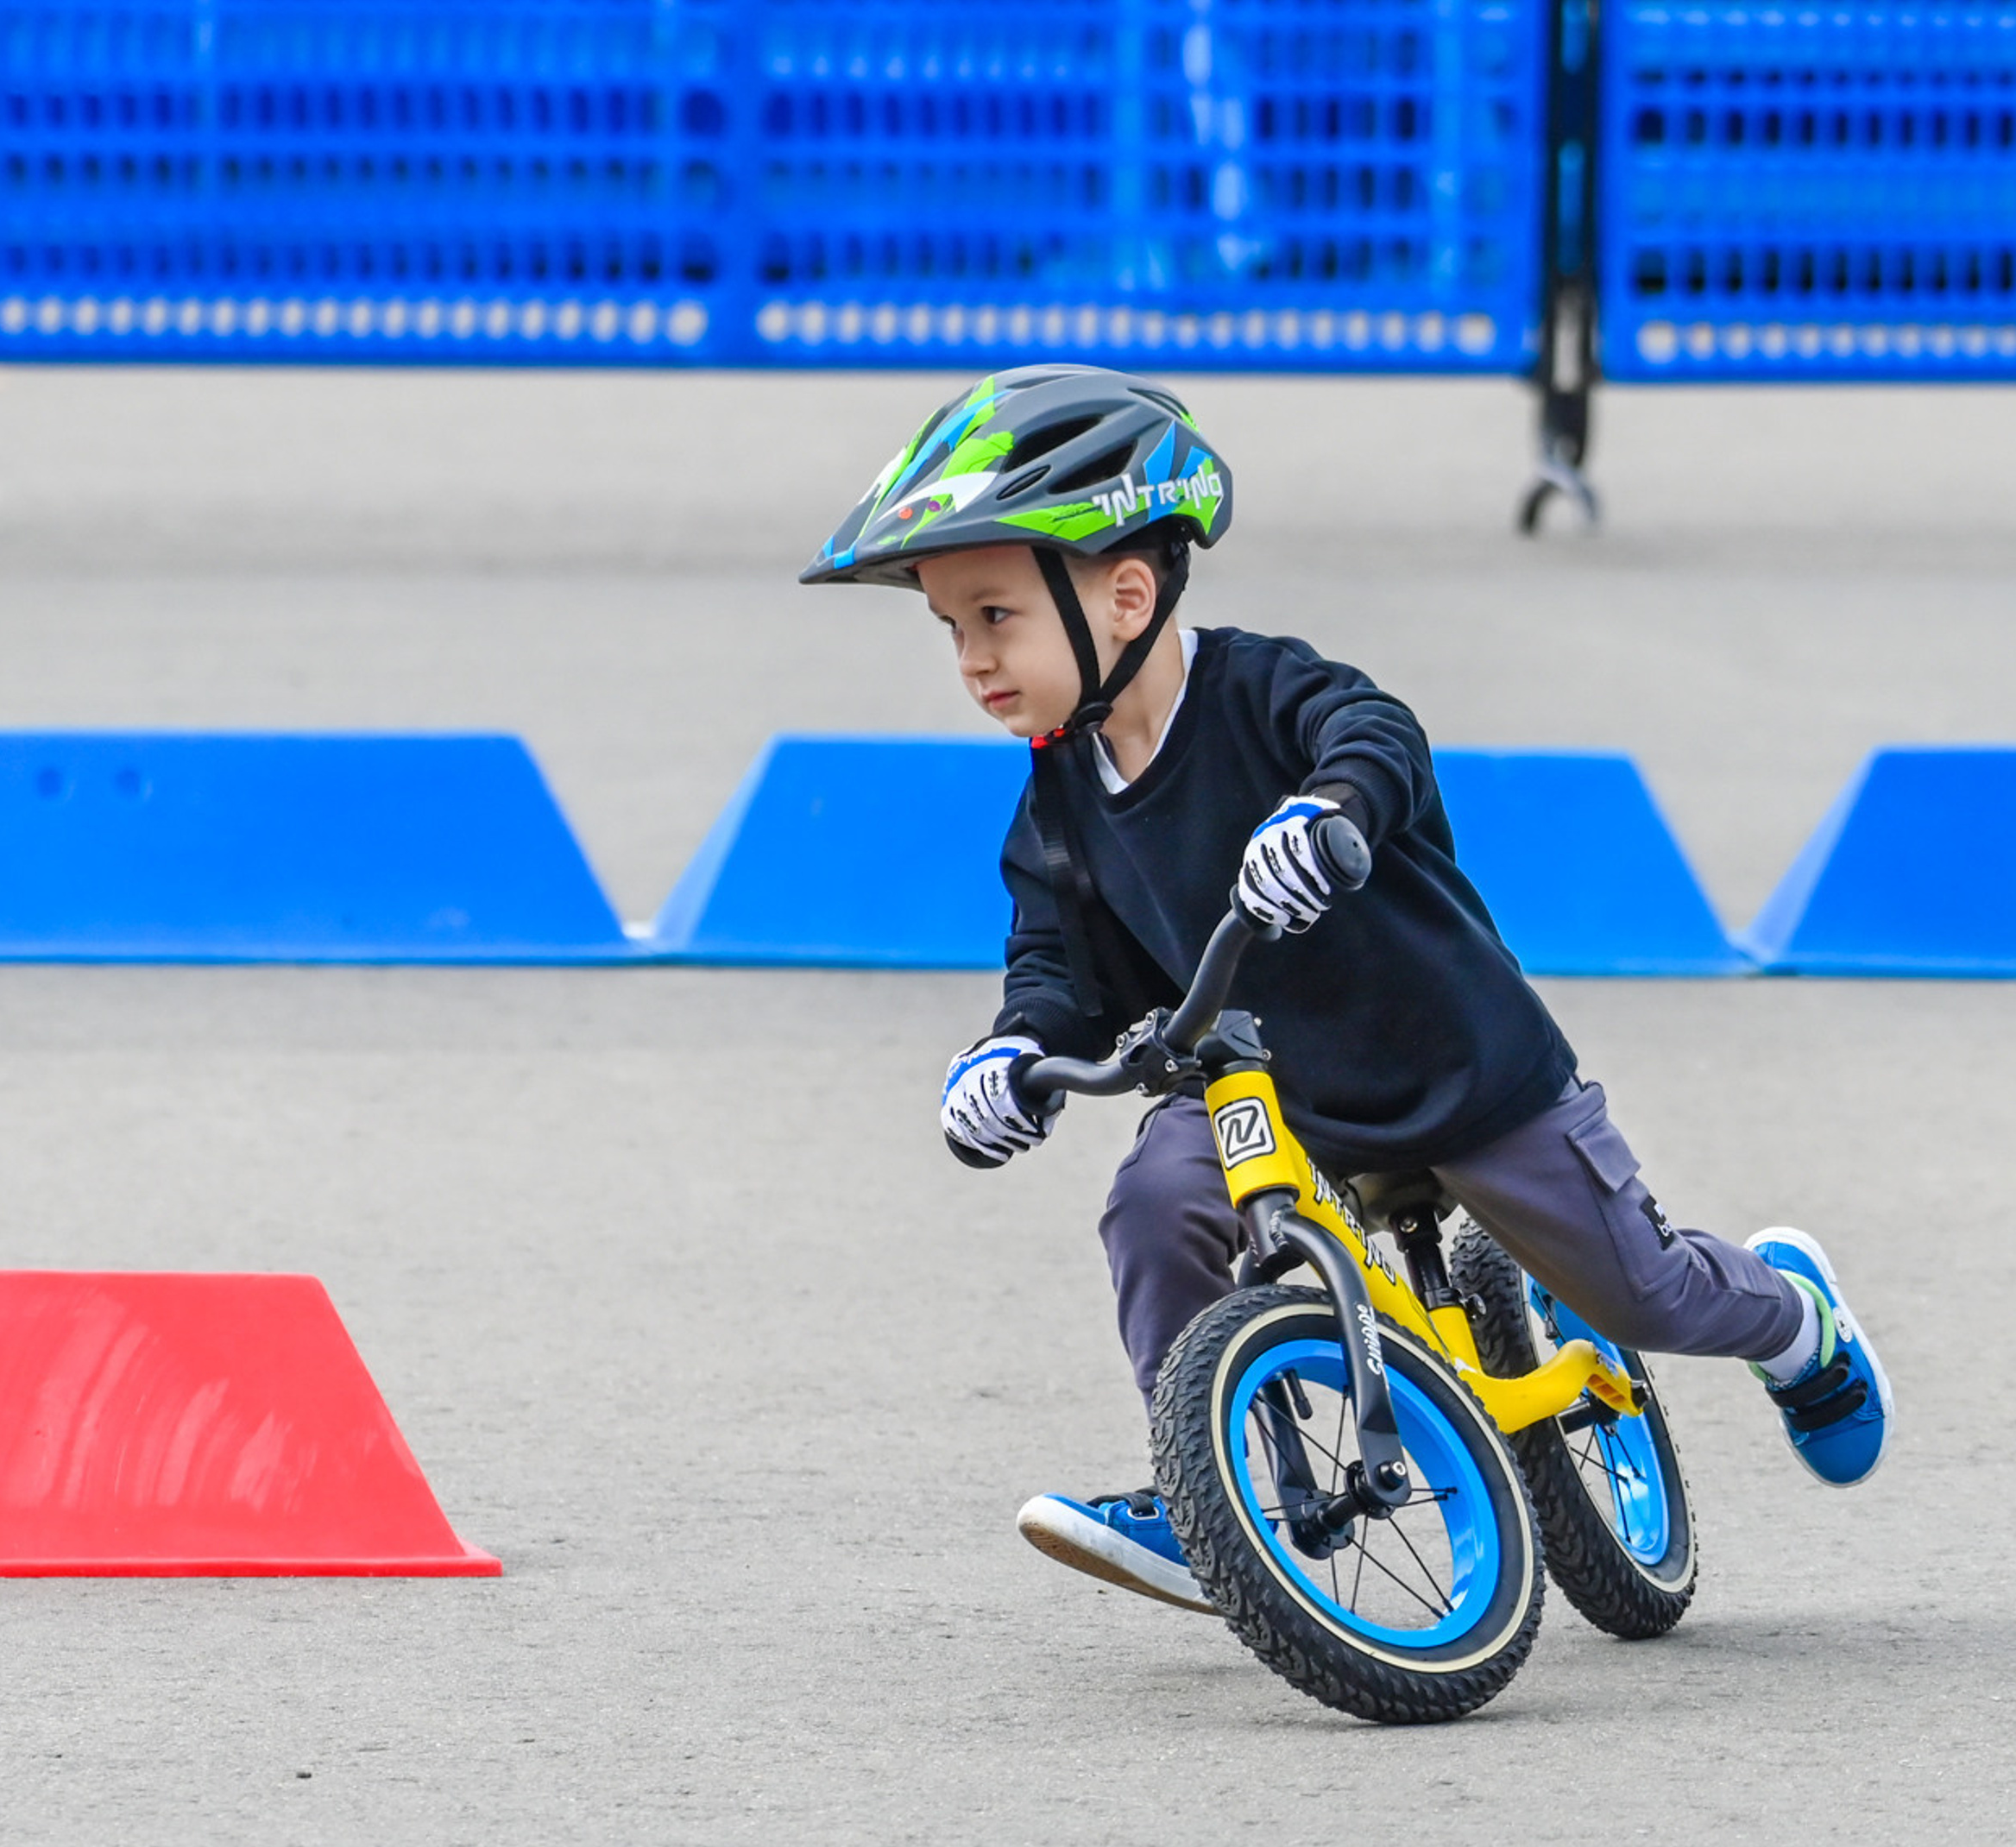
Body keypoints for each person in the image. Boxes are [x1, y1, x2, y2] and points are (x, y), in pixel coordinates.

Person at [801, 364, 1893, 1614]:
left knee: (1640, 1289)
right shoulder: (1059, 801)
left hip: (1458, 1068)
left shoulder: (1261, 692)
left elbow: (1377, 735)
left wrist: (1328, 811)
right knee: (1156, 1206)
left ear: (1125, 594)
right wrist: (1008, 1059)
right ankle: (1213, 1488)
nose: (970, 660)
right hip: (1262, 1085)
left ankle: (1794, 1321)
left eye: (994, 616)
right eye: (951, 629)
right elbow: (1059, 968)